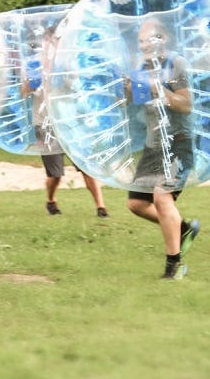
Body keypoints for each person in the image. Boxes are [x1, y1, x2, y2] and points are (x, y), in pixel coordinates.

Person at [125, 17, 200, 280]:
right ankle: (182, 228)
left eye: (151, 39)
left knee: (161, 196)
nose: (145, 45)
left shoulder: (175, 63)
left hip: (178, 141)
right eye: (141, 41)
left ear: (164, 39)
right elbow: (138, 103)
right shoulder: (141, 66)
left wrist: (159, 89)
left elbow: (186, 104)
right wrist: (127, 91)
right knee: (135, 203)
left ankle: (174, 265)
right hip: (153, 143)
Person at [21, 26, 109, 217]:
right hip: (44, 125)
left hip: (70, 124)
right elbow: (24, 92)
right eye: (51, 41)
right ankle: (51, 201)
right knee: (55, 174)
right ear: (45, 41)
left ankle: (101, 207)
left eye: (57, 41)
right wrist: (30, 82)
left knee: (86, 165)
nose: (53, 45)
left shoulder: (67, 65)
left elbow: (77, 90)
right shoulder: (34, 65)